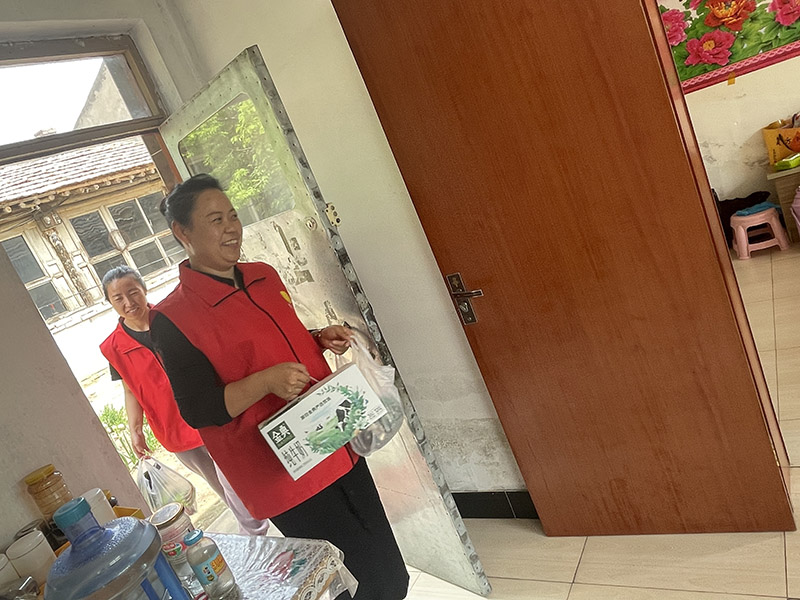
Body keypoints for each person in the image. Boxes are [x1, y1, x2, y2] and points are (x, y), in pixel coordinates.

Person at [149, 174, 408, 600]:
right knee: (358, 584)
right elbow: (199, 409)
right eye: (216, 220)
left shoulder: (262, 276)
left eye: (233, 216)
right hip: (283, 473)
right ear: (182, 232)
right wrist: (265, 382)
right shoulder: (172, 318)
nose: (231, 228)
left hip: (333, 439)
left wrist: (317, 338)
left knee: (389, 571)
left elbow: (272, 342)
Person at [99, 265, 269, 535]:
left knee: (234, 478)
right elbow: (130, 389)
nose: (128, 303)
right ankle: (254, 528)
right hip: (173, 429)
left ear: (144, 290)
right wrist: (135, 429)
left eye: (133, 293)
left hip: (207, 413)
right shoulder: (113, 347)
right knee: (219, 484)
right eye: (118, 298)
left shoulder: (171, 319)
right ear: (109, 302)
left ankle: (254, 530)